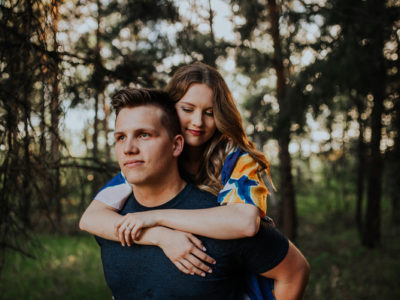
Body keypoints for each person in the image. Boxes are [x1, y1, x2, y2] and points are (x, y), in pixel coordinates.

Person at [80, 63, 310, 298]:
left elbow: (246, 223)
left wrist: (156, 216)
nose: (198, 122)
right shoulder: (149, 161)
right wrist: (160, 235)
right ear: (170, 109)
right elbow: (91, 218)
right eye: (187, 109)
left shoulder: (235, 158)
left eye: (209, 113)